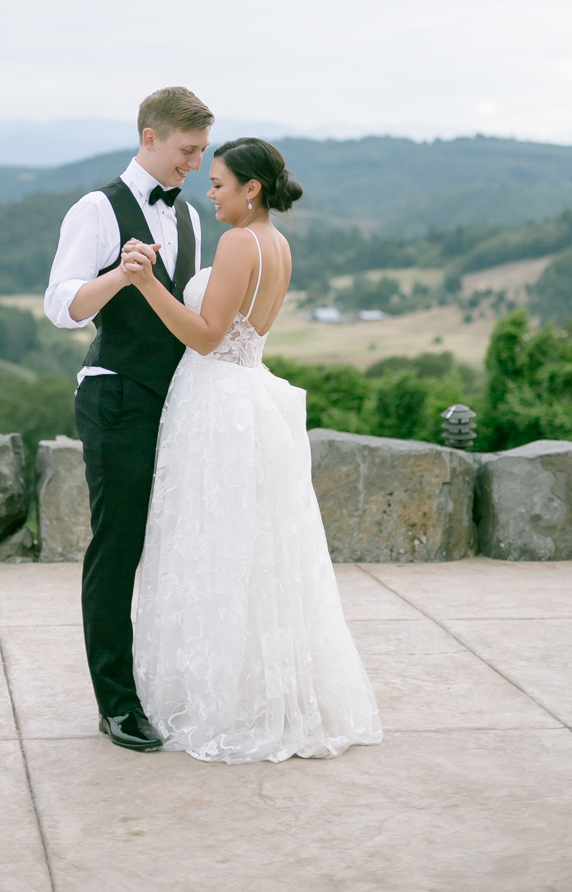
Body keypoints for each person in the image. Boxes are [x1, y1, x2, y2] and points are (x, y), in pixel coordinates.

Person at [120, 138, 383, 764]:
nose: (208, 193)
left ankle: (223, 701)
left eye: (217, 184)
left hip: (216, 402)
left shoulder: (238, 242)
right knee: (252, 553)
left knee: (214, 547)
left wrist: (148, 283)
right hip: (249, 397)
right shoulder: (277, 243)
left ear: (251, 189)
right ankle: (258, 693)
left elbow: (209, 337)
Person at [44, 85, 214, 752]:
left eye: (201, 153)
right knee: (118, 548)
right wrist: (118, 275)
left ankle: (166, 682)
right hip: (115, 396)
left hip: (175, 403)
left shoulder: (190, 217)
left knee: (172, 547)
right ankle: (115, 704)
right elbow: (61, 306)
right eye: (186, 150)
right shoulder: (96, 209)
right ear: (150, 138)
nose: (194, 164)